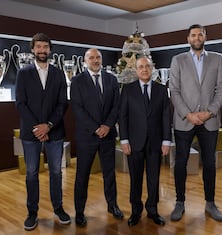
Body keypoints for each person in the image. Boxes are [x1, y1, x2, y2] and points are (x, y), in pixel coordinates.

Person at [169, 24, 222, 222]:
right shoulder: (178, 60)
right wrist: (188, 114)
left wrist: (209, 113)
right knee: (180, 163)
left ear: (205, 36)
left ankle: (210, 204)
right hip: (184, 121)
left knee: (209, 163)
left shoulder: (217, 59)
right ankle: (179, 202)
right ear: (188, 38)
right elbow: (174, 91)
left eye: (199, 34)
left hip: (209, 122)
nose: (196, 38)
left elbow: (221, 90)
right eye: (193, 35)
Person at [15, 33, 70, 231]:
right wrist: (38, 128)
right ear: (33, 49)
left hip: (54, 132)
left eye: (45, 47)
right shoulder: (23, 73)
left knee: (56, 172)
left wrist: (48, 125)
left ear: (50, 50)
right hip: (31, 134)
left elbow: (63, 103)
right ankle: (32, 212)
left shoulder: (58, 73)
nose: (42, 50)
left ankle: (58, 208)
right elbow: (20, 103)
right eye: (38, 47)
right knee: (31, 173)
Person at [70, 48, 123, 227]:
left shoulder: (111, 79)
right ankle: (79, 212)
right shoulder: (77, 81)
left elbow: (117, 106)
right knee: (82, 175)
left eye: (97, 57)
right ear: (85, 61)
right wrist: (95, 128)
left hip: (108, 135)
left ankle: (112, 205)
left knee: (109, 174)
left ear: (101, 59)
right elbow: (77, 108)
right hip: (87, 136)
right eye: (91, 57)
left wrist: (107, 125)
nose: (95, 60)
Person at [119, 57, 171, 226]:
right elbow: (123, 116)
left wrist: (166, 141)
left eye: (147, 66)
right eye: (140, 67)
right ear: (136, 69)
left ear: (152, 68)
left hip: (156, 143)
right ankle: (135, 211)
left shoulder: (162, 90)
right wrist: (124, 140)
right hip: (134, 143)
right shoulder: (127, 90)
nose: (144, 69)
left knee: (154, 178)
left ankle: (152, 210)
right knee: (135, 179)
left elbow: (165, 117)